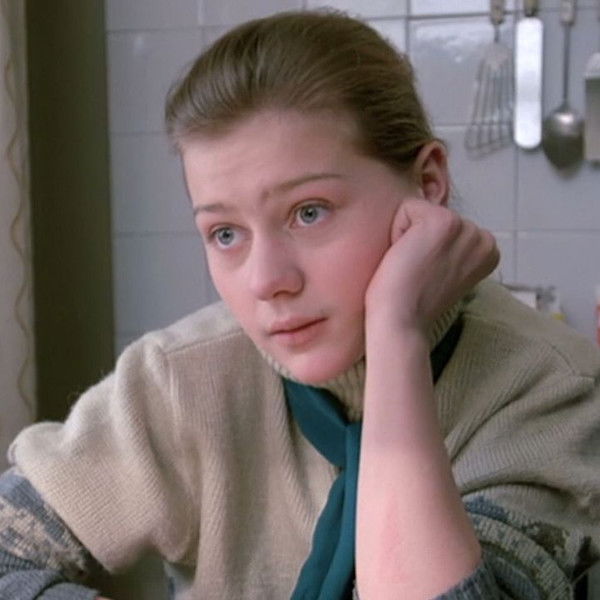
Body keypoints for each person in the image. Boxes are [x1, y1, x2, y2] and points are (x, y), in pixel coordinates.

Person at [1, 9, 600, 600]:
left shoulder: (553, 389)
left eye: (309, 212)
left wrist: (396, 335)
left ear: (428, 183)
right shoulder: (182, 379)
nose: (266, 281)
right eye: (225, 233)